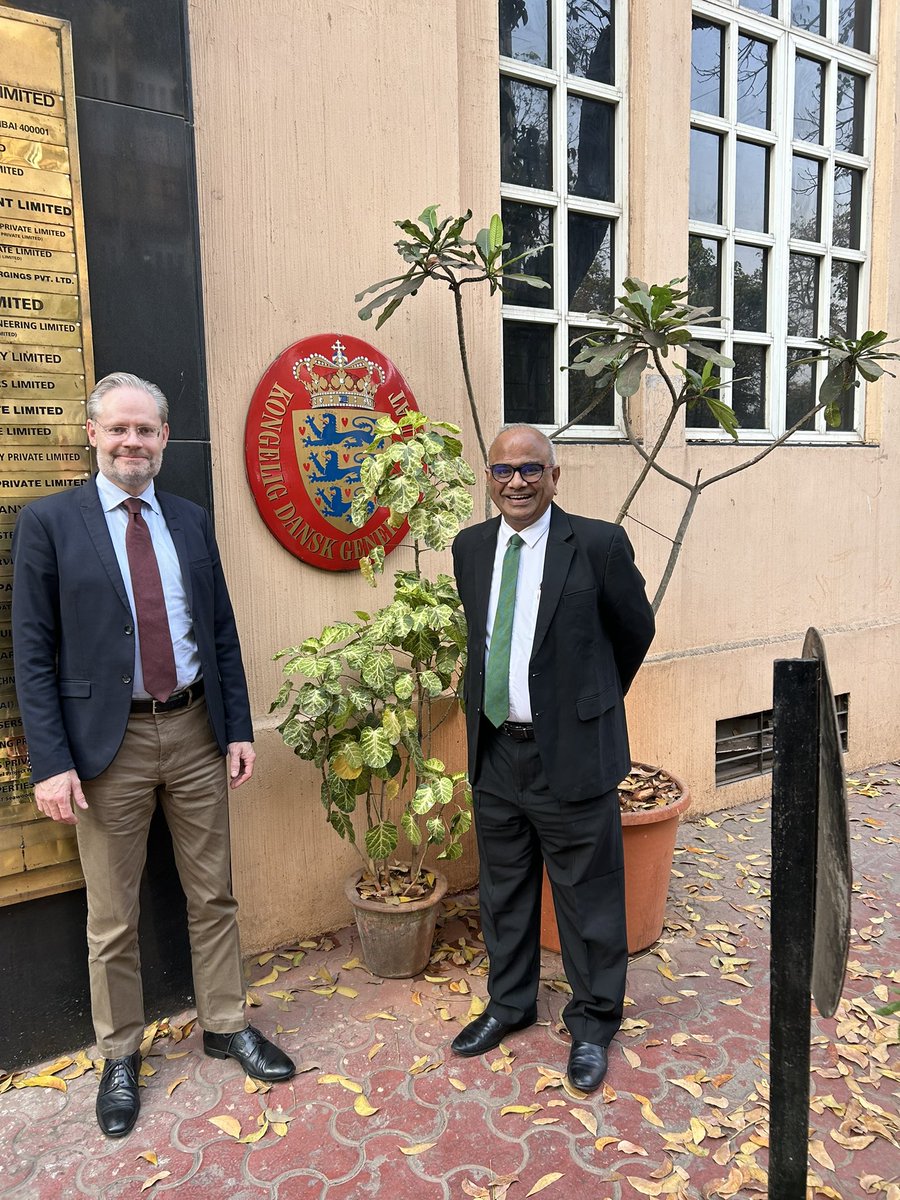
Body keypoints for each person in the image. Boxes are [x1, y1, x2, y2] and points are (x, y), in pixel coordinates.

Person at [12, 372, 295, 1138]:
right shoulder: (49, 524)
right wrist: (51, 762)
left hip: (197, 729)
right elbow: (31, 653)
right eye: (118, 429)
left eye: (146, 430)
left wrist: (239, 727)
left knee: (214, 893)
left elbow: (222, 631)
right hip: (109, 746)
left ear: (166, 439)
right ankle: (119, 1056)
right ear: (93, 436)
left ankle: (226, 1023)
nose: (133, 441)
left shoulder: (191, 520)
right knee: (112, 915)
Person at [450, 424, 655, 1092]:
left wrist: (590, 704)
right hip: (496, 753)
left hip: (572, 754)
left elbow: (634, 630)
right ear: (489, 478)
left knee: (587, 898)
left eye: (531, 469)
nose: (516, 482)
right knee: (504, 892)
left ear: (554, 476)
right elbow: (483, 641)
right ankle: (509, 1005)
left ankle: (593, 1023)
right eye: (504, 470)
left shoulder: (595, 545)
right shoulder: (471, 548)